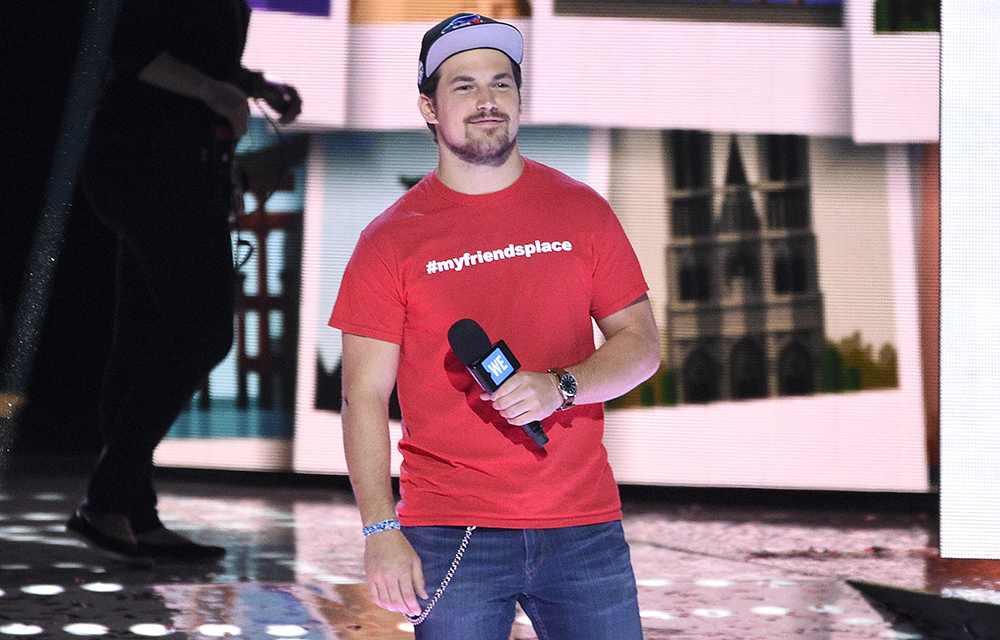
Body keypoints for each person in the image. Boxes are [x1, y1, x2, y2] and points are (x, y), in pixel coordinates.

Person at [330, 13, 660, 639]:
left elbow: (641, 347)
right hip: (452, 532)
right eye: (464, 86)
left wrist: (560, 385)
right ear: (429, 107)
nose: (487, 101)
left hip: (583, 525)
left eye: (501, 84)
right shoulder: (389, 241)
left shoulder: (581, 210)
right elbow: (362, 396)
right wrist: (379, 531)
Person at [65, 0, 301, 564]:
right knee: (202, 331)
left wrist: (254, 86)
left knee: (142, 340)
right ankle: (106, 497)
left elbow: (193, 46)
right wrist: (216, 94)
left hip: (173, 162)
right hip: (150, 163)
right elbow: (128, 46)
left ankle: (133, 515)